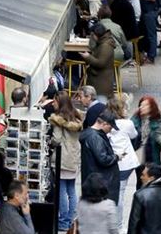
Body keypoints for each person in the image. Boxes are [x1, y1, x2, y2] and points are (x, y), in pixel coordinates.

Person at [49, 90, 83, 231]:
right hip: (74, 158)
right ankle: (70, 219)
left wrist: (50, 141)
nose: (52, 103)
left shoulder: (58, 120)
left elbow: (56, 140)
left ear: (60, 103)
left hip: (62, 159)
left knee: (61, 191)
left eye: (55, 101)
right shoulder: (75, 116)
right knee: (71, 190)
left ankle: (63, 221)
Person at [106, 94, 140, 227]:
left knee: (114, 191)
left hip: (112, 161)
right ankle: (118, 225)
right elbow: (134, 135)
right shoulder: (127, 123)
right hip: (127, 163)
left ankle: (113, 222)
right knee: (120, 192)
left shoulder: (107, 122)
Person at [80, 110, 121, 203]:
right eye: (110, 127)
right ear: (104, 124)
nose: (110, 130)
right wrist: (117, 157)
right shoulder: (95, 137)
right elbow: (103, 159)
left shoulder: (90, 134)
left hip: (95, 180)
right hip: (100, 182)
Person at [128, 163, 161, 234]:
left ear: (151, 178)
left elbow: (134, 223)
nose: (141, 177)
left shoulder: (140, 195)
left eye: (144, 175)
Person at [131, 96, 161, 188]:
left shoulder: (158, 122)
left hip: (154, 156)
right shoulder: (135, 120)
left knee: (154, 181)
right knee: (141, 180)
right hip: (140, 156)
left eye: (145, 106)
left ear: (151, 107)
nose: (141, 107)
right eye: (140, 105)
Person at [80, 23, 116, 97]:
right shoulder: (102, 42)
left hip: (101, 83)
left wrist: (88, 57)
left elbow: (101, 63)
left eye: (92, 35)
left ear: (97, 34)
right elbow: (92, 47)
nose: (92, 37)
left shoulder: (106, 46)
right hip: (99, 80)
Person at [138, 0, 159, 64]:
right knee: (148, 33)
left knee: (151, 34)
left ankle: (151, 56)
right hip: (147, 10)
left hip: (150, 10)